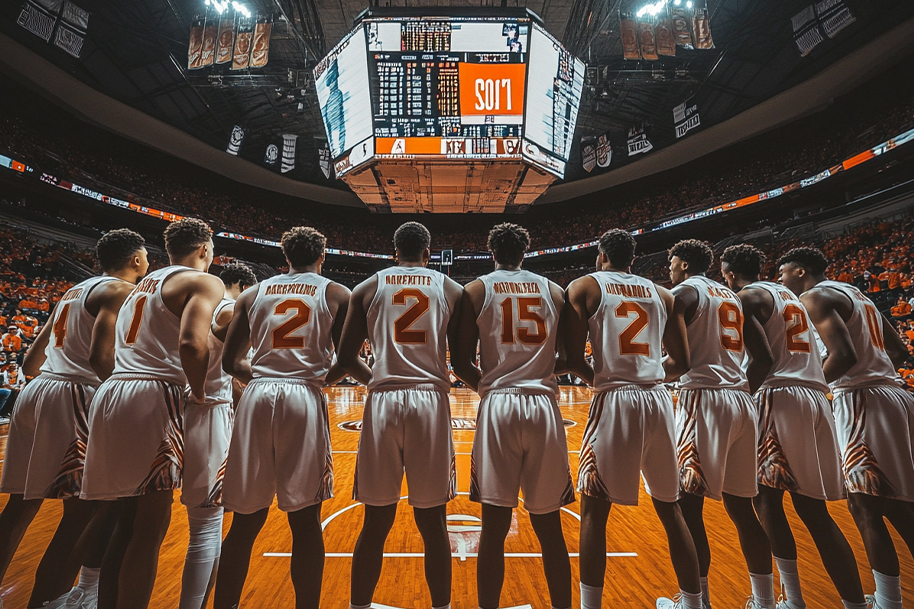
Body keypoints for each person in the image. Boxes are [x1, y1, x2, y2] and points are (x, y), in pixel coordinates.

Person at [0, 229, 149, 609]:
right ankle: (47, 602)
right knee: (83, 513)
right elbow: (102, 359)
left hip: (40, 389)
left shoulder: (74, 290)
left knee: (19, 507)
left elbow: (31, 361)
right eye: (146, 257)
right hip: (76, 395)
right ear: (135, 260)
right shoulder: (120, 291)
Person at [81, 218, 225, 609]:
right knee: (149, 529)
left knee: (123, 526)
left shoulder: (144, 283)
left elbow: (103, 354)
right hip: (153, 393)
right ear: (204, 250)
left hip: (115, 390)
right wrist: (197, 393)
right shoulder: (204, 282)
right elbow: (192, 345)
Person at [720, 244, 866, 609]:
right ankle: (855, 603)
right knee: (814, 511)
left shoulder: (747, 296)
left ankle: (792, 599)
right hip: (815, 397)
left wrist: (738, 395)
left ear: (729, 273)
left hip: (780, 395)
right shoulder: (791, 296)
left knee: (764, 499)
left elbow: (761, 359)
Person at [563, 230, 701, 609]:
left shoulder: (585, 286)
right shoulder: (663, 293)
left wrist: (603, 382)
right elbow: (683, 361)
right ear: (633, 259)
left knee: (594, 511)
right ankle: (693, 603)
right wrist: (648, 376)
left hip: (615, 399)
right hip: (658, 398)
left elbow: (573, 358)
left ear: (601, 255)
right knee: (671, 508)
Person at [214, 228, 350, 609]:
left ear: (284, 257)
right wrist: (319, 379)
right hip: (303, 396)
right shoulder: (337, 292)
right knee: (306, 521)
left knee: (243, 522)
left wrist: (262, 379)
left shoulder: (254, 293)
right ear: (322, 256)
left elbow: (229, 361)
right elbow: (348, 357)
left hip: (258, 394)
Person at [778, 247, 914, 609]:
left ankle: (888, 602)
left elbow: (844, 356)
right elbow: (899, 353)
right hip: (892, 395)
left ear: (801, 272)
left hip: (861, 400)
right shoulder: (857, 294)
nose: (781, 281)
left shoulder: (814, 296)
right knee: (898, 506)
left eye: (784, 274)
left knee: (863, 504)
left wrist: (809, 383)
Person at [336, 222, 463, 609]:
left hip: (384, 399)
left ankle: (359, 606)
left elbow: (344, 359)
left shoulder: (368, 286)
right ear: (428, 253)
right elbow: (460, 359)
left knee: (375, 523)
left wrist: (376, 378)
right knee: (434, 523)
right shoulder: (449, 288)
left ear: (395, 252)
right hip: (429, 400)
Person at [451, 223, 573, 609]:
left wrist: (488, 386)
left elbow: (460, 362)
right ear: (526, 250)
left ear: (492, 252)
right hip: (543, 407)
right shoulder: (555, 291)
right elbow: (569, 357)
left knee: (493, 529)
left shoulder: (476, 290)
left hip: (499, 403)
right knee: (550, 527)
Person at [667, 239, 775, 609]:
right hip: (741, 401)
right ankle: (764, 602)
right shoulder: (733, 296)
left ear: (682, 264)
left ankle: (696, 602)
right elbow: (764, 357)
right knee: (744, 508)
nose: (669, 269)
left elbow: (676, 359)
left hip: (704, 400)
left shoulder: (682, 292)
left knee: (687, 507)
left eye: (671, 263)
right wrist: (739, 389)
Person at [180, 262, 256, 609]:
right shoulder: (227, 308)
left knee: (130, 518)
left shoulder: (184, 306)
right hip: (205, 411)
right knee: (207, 527)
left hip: (167, 408)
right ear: (240, 285)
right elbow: (229, 375)